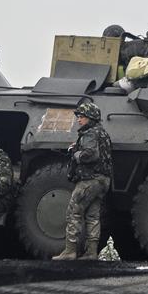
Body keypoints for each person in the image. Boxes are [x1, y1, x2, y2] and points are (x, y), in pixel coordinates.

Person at [53, 102, 113, 261]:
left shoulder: (90, 134)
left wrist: (76, 153)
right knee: (92, 216)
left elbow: (91, 154)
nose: (78, 120)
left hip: (89, 181)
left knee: (73, 211)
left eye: (82, 117)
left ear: (91, 117)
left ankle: (70, 251)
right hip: (103, 180)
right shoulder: (102, 133)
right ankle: (91, 252)